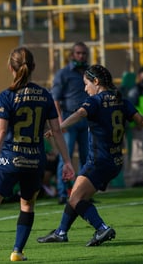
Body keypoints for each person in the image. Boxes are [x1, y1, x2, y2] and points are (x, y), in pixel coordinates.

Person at [36, 65, 143, 247]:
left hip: (98, 161)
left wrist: (59, 127)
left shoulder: (95, 102)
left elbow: (79, 114)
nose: (85, 89)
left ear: (96, 82)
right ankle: (61, 232)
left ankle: (101, 228)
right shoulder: (120, 100)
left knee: (76, 198)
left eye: (86, 84)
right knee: (76, 196)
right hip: (114, 161)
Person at [0, 47, 75, 264]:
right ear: (33, 67)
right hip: (35, 160)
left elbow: (0, 131)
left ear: (10, 68)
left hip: (9, 158)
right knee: (27, 205)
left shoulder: (6, 96)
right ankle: (17, 251)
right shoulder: (45, 95)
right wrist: (68, 162)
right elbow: (56, 132)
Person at [51, 41, 89, 204]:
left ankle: (83, 193)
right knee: (65, 158)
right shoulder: (64, 73)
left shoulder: (89, 72)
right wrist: (61, 123)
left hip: (86, 120)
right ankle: (63, 193)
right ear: (73, 54)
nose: (81, 56)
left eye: (83, 53)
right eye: (78, 53)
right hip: (69, 119)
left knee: (86, 158)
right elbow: (56, 100)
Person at [126, 66, 143, 186]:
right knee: (138, 154)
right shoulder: (135, 90)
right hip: (139, 126)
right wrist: (136, 122)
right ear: (139, 76)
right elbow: (131, 107)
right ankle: (136, 180)